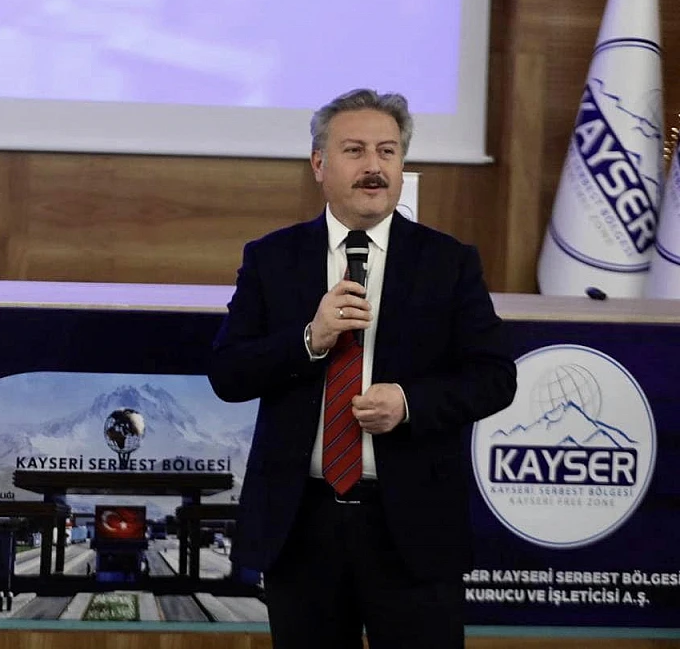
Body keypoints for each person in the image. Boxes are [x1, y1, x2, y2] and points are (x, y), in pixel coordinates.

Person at [208, 88, 516, 648]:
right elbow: (228, 373)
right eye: (355, 150)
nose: (374, 166)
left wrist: (410, 404)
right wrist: (310, 339)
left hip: (413, 527)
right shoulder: (272, 258)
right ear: (319, 164)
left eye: (387, 151)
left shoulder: (448, 262)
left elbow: (495, 377)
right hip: (302, 524)